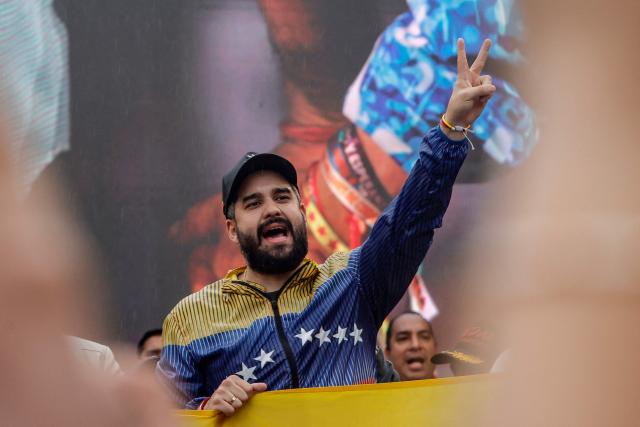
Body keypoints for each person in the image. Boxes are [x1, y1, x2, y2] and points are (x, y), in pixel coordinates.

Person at [158, 38, 497, 415]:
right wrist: (206, 406)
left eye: (282, 197)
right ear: (232, 228)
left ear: (302, 210)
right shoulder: (190, 318)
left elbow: (407, 224)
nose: (272, 209)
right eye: (253, 203)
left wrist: (450, 132)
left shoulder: (352, 283)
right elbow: (155, 418)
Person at [384, 312, 437, 381]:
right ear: (387, 353)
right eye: (403, 338)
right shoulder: (369, 391)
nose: (415, 345)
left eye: (424, 337)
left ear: (435, 348)